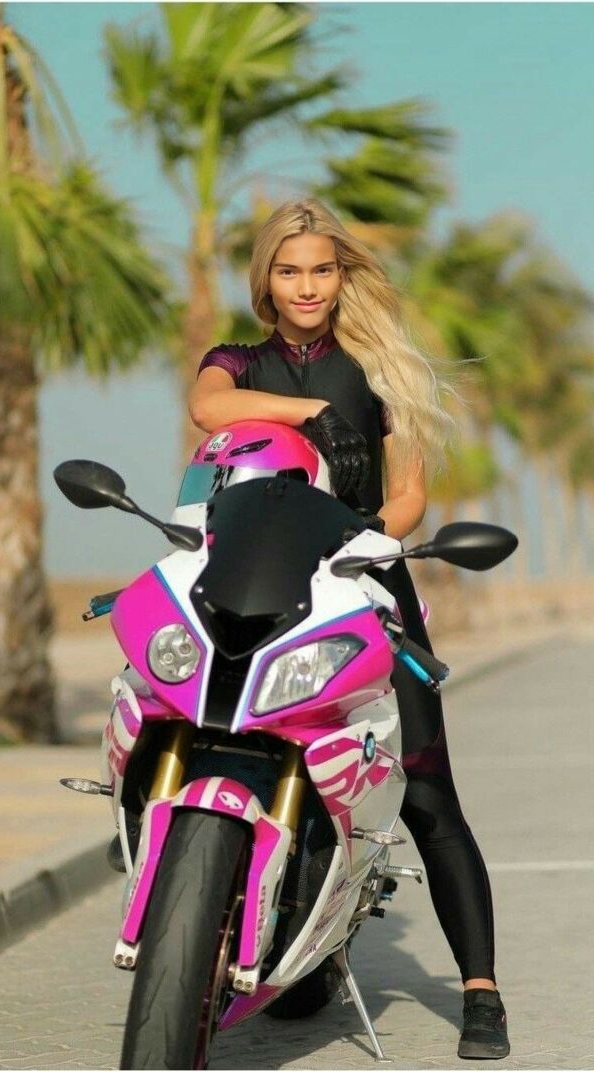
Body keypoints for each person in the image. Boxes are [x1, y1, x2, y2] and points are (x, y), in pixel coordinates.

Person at [188, 197, 510, 1060]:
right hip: (261, 584)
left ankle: (481, 992)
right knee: (231, 744)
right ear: (266, 279)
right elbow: (209, 408)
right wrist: (306, 416)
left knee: (428, 789)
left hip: (363, 579)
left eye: (322, 270)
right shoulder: (237, 362)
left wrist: (365, 539)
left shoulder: (379, 369)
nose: (307, 286)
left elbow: (408, 496)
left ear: (342, 276)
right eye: (289, 270)